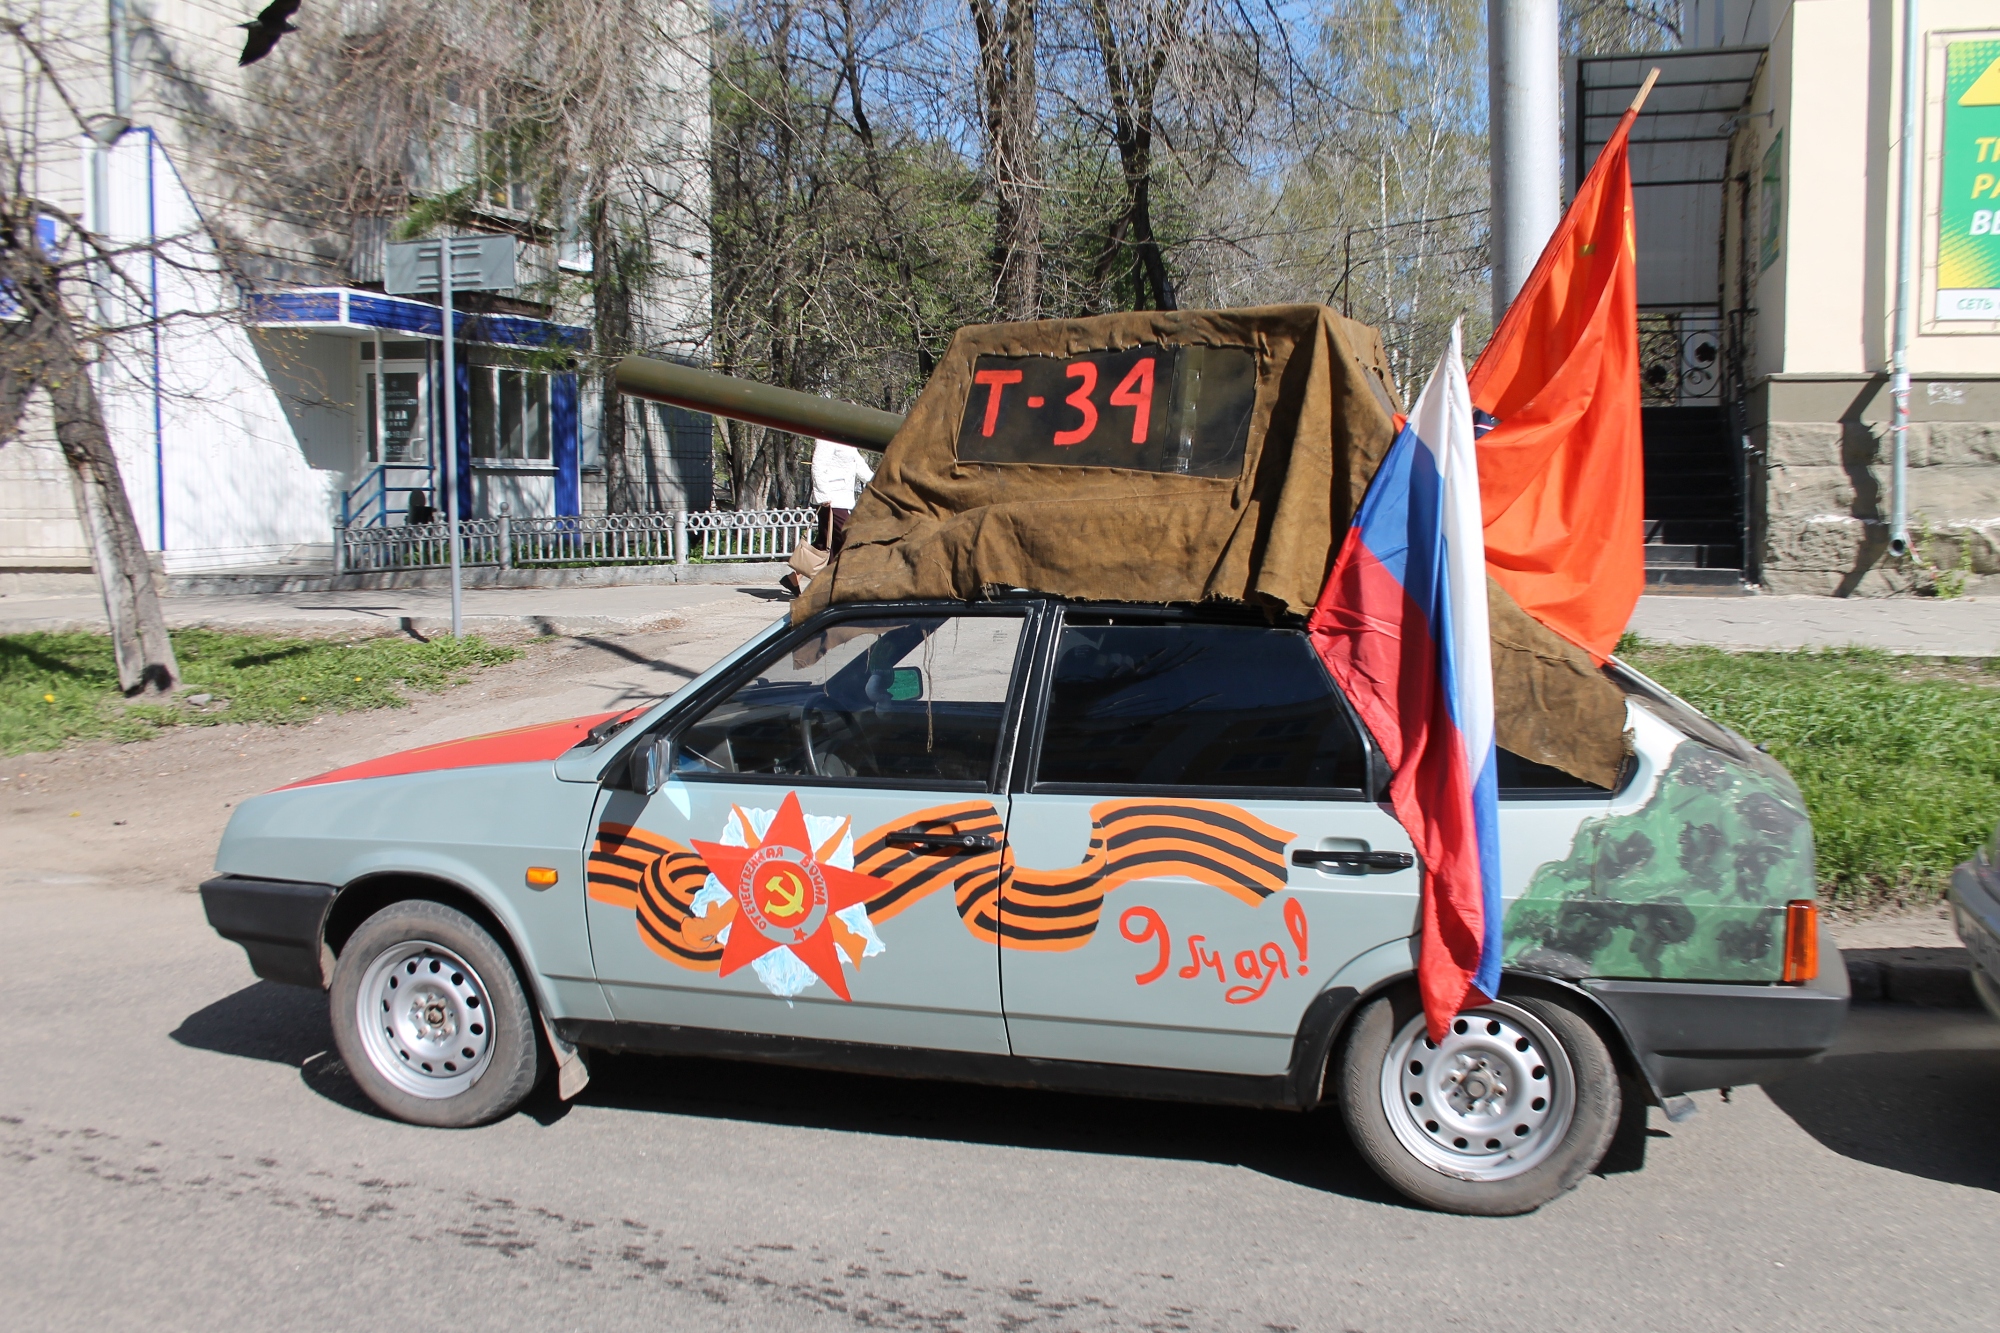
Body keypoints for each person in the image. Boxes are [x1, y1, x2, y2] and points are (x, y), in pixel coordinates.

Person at [781, 438, 875, 595]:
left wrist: (880, 481)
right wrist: (823, 495)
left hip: (844, 500)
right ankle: (835, 586)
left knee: (826, 543)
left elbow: (860, 466)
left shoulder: (849, 441)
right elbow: (818, 465)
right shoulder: (828, 438)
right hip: (830, 501)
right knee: (848, 538)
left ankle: (795, 579)